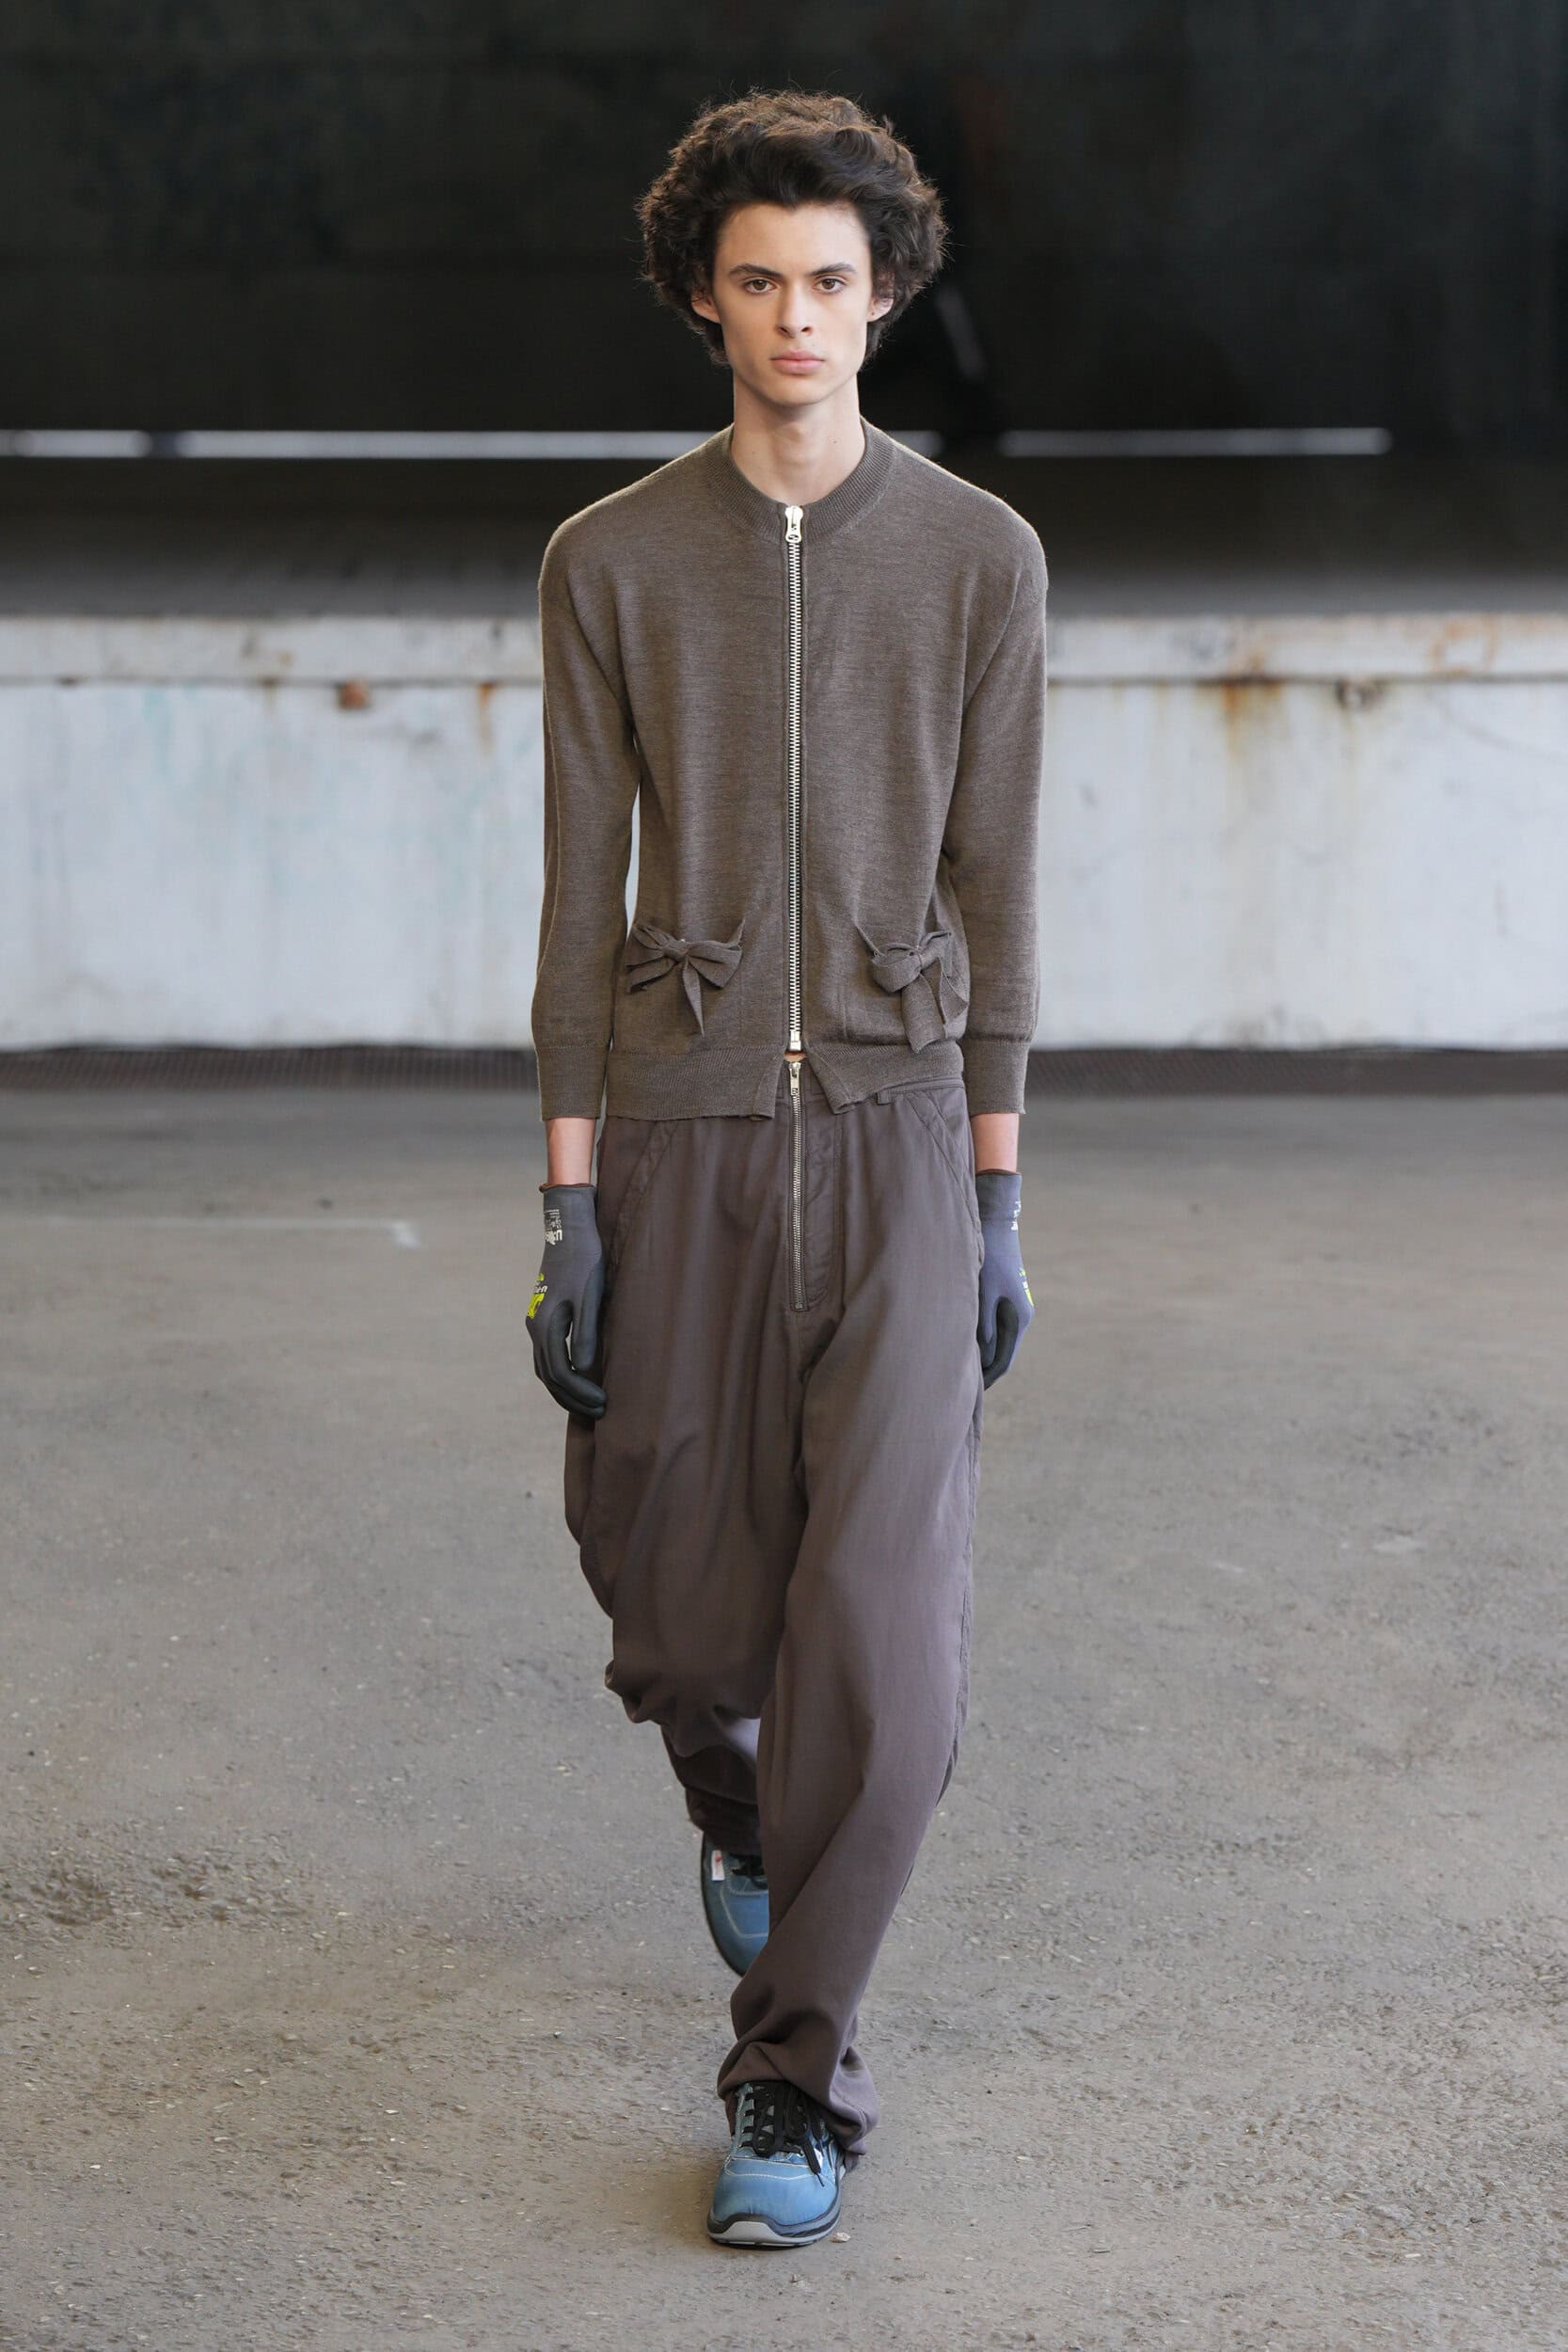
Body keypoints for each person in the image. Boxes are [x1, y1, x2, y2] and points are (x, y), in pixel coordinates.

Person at [527, 87, 1045, 2249]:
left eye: (832, 280)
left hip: (907, 1133)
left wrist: (997, 1196)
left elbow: (999, 888)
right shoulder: (611, 561)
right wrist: (569, 1203)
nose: (798, 318)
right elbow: (579, 900)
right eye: (759, 282)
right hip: (685, 1127)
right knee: (672, 1591)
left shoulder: (980, 559)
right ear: (704, 301)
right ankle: (738, 1802)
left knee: (886, 1642)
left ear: (887, 291)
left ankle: (794, 2071)